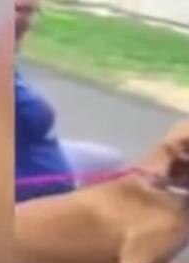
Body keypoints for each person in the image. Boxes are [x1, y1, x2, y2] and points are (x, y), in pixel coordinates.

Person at [15, 0, 125, 202]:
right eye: (20, 11)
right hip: (29, 184)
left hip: (32, 155)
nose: (28, 23)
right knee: (111, 164)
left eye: (33, 12)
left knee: (107, 158)